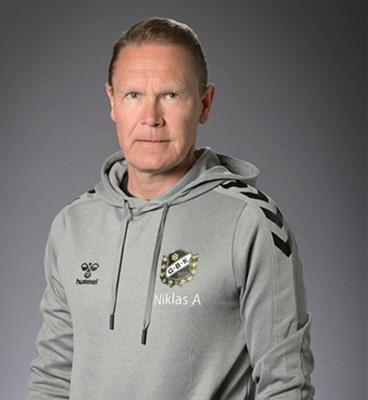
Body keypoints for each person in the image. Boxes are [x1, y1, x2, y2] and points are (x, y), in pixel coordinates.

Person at [26, 17, 315, 399]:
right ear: (112, 101)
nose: (151, 118)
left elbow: (286, 384)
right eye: (133, 95)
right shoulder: (74, 225)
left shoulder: (250, 224)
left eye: (171, 95)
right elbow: (52, 377)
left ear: (205, 103)